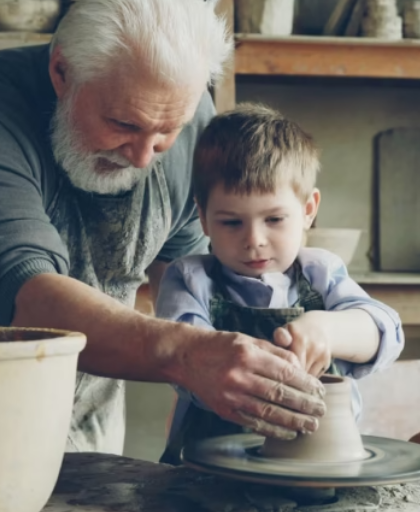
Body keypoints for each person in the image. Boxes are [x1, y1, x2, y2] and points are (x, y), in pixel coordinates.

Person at [0, 0, 328, 455]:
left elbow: (194, 290)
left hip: (89, 416)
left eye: (165, 133)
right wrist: (187, 356)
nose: (142, 157)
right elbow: (30, 298)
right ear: (62, 72)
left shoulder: (189, 117)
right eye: (123, 124)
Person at [155, 103, 405, 465]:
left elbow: (388, 335)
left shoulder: (320, 273)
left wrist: (329, 329)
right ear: (203, 218)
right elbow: (184, 361)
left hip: (319, 466)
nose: (254, 239)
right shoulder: (190, 280)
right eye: (230, 223)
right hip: (210, 472)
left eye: (274, 219)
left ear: (308, 210)